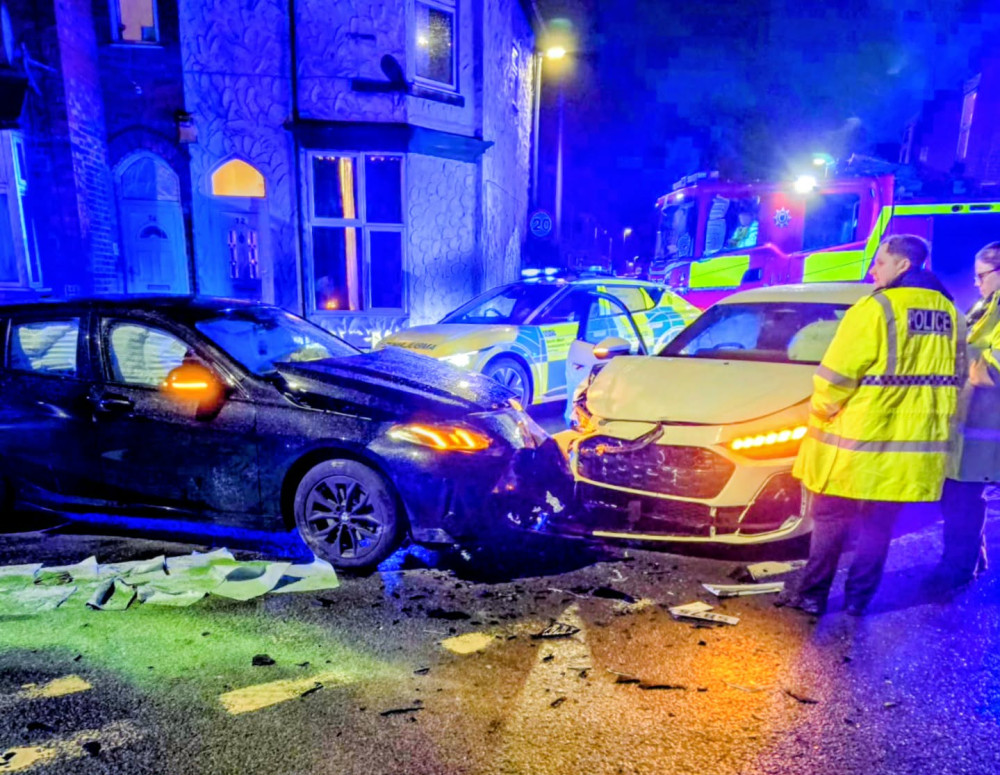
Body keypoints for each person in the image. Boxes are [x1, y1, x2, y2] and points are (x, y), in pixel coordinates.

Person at [785, 235, 961, 616]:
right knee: (878, 527)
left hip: (857, 440)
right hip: (912, 447)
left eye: (880, 262)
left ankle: (813, 597)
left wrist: (820, 410)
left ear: (903, 266)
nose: (873, 269)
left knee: (830, 518)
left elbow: (837, 375)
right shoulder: (950, 312)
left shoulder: (875, 308)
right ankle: (857, 601)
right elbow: (957, 375)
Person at [929, 241, 1000, 589]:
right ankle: (971, 559)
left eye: (981, 276)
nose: (976, 283)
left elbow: (989, 373)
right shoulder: (985, 308)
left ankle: (957, 569)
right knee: (962, 498)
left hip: (986, 428)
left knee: (961, 500)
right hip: (975, 428)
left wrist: (967, 365)